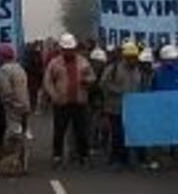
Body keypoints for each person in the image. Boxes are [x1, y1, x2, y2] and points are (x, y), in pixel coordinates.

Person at [44, 33, 97, 167]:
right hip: (61, 102)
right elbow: (48, 81)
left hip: (79, 102)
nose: (69, 51)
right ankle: (57, 155)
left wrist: (87, 81)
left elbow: (92, 77)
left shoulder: (83, 61)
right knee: (59, 131)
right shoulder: (54, 63)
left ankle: (83, 156)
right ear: (61, 49)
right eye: (66, 49)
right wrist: (54, 95)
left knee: (81, 131)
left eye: (71, 49)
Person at [101, 41, 144, 167]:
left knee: (127, 134)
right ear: (125, 57)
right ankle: (116, 158)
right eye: (131, 58)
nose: (133, 60)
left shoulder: (137, 70)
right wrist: (119, 91)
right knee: (117, 134)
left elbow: (139, 86)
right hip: (115, 108)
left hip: (132, 108)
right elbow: (103, 84)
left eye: (135, 57)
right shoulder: (113, 69)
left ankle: (125, 159)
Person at [151, 44, 178, 171]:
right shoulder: (156, 72)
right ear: (162, 59)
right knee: (158, 135)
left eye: (173, 59)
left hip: (176, 107)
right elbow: (152, 90)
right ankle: (155, 160)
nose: (171, 61)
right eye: (168, 59)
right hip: (161, 107)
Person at [0, 43, 31, 176]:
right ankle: (23, 164)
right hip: (25, 104)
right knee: (24, 134)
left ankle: (12, 166)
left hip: (13, 106)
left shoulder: (4, 70)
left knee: (12, 136)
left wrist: (9, 102)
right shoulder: (19, 68)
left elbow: (6, 91)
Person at [88, 48, 109, 156]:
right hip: (91, 102)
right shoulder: (88, 72)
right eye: (96, 62)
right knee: (93, 124)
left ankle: (103, 144)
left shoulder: (107, 72)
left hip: (104, 102)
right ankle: (92, 144)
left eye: (100, 62)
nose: (98, 65)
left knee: (105, 125)